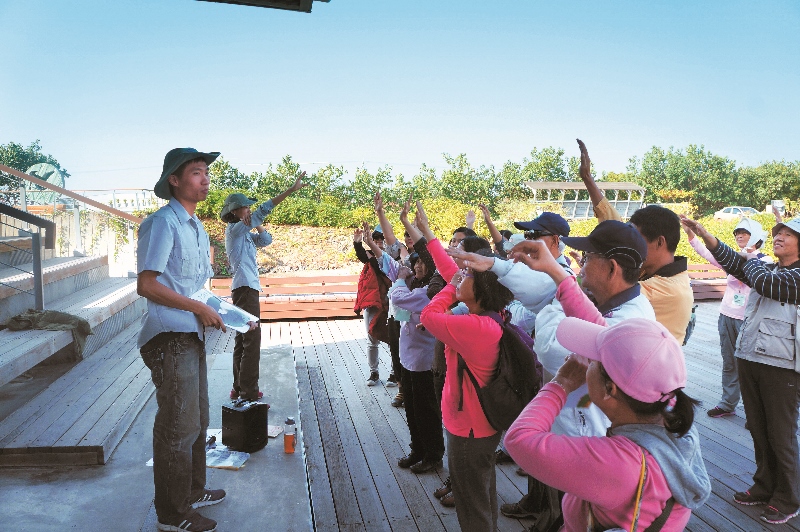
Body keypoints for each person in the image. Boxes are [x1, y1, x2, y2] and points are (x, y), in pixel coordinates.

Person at [505, 317, 711, 531]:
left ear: (609, 389)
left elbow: (518, 439)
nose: (585, 362)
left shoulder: (619, 464)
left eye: (593, 361)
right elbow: (625, 345)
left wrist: (562, 383)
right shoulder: (675, 420)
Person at [681, 214, 800, 525]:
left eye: (788, 235)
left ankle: (788, 498)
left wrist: (752, 259)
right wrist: (704, 234)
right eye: (778, 233)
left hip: (783, 365)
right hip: (751, 357)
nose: (779, 237)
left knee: (781, 433)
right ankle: (764, 486)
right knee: (758, 428)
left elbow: (767, 283)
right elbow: (734, 262)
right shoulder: (768, 267)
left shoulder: (789, 276)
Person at [137, 148, 227, 532]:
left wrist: (224, 312)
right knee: (178, 425)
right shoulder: (162, 224)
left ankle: (192, 491)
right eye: (195, 173)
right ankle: (172, 515)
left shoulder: (196, 227)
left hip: (192, 334)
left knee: (198, 420)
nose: (205, 179)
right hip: (170, 337)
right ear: (174, 180)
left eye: (206, 172)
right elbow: (147, 285)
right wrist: (197, 307)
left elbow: (193, 287)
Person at [416, 200, 515, 532]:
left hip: (469, 429)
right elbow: (450, 270)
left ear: (480, 288)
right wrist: (428, 235)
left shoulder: (475, 327)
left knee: (472, 506)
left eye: (467, 276)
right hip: (480, 425)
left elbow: (430, 315)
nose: (460, 277)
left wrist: (450, 288)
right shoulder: (490, 314)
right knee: (482, 494)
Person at [577, 139, 693, 343]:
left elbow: (611, 287)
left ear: (660, 242)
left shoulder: (667, 290)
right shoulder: (650, 269)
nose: (629, 242)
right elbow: (616, 227)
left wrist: (594, 271)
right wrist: (587, 179)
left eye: (636, 238)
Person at [220, 175, 307, 401]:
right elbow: (263, 210)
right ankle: (248, 392)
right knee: (251, 339)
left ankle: (238, 388)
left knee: (242, 339)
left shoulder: (245, 235)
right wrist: (290, 190)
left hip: (244, 289)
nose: (249, 209)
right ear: (235, 211)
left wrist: (254, 222)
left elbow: (266, 239)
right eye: (245, 207)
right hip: (245, 289)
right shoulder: (234, 230)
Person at [682, 217, 770, 418]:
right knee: (729, 361)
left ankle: (756, 412)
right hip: (727, 316)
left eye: (745, 232)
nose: (739, 235)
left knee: (752, 366)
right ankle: (728, 403)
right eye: (737, 232)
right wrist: (690, 233)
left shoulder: (765, 261)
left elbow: (758, 274)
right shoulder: (731, 259)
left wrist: (746, 256)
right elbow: (706, 252)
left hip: (750, 320)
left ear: (756, 236)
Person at [353, 223, 391, 386]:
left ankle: (394, 373)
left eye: (382, 238)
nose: (379, 241)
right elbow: (363, 255)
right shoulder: (370, 256)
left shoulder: (393, 256)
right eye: (376, 238)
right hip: (372, 303)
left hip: (390, 303)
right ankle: (373, 372)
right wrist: (357, 243)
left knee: (393, 339)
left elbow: (380, 265)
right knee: (372, 339)